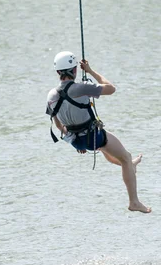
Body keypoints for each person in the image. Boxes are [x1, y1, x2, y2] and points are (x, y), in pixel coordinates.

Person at [46, 51, 151, 214]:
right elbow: (111, 88)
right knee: (125, 157)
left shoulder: (51, 96)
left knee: (106, 149)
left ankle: (131, 167)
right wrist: (90, 70)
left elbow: (58, 125)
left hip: (77, 141)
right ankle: (134, 201)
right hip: (93, 136)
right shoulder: (81, 88)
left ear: (58, 72)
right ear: (74, 70)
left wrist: (73, 140)